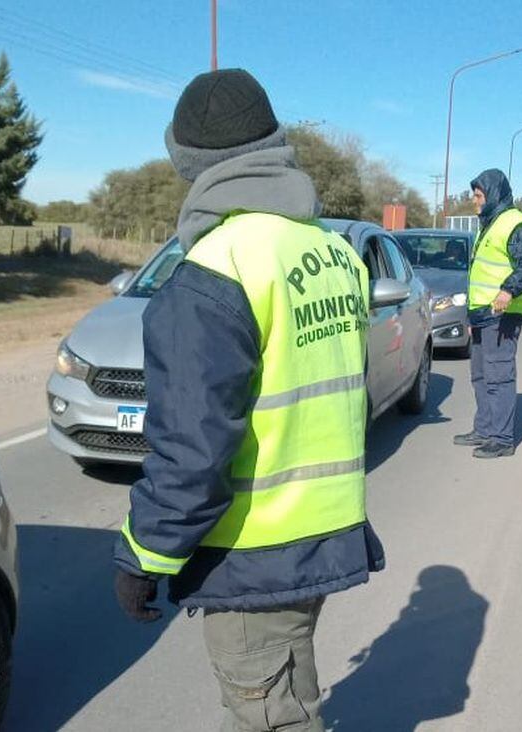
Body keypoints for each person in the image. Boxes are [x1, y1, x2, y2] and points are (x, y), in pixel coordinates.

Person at [112, 68, 384, 732]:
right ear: (274, 145)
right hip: (324, 532)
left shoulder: (214, 270)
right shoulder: (332, 252)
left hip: (254, 549)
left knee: (269, 715)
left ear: (191, 166)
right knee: (283, 697)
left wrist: (144, 554)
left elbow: (191, 447)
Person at [454, 169, 522, 458]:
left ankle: (502, 438)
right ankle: (484, 428)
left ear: (492, 195)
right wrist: (471, 317)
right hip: (482, 314)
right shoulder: (488, 224)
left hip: (502, 315)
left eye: (478, 195)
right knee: (480, 375)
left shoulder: (514, 224)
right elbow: (481, 274)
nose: (474, 201)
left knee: (498, 376)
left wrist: (508, 291)